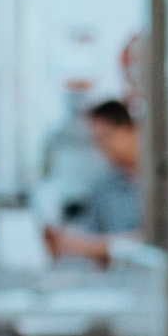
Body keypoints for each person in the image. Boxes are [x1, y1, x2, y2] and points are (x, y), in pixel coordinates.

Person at [46, 99, 143, 266]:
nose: (103, 146)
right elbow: (86, 236)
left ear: (130, 129)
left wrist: (97, 247)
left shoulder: (161, 181)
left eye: (106, 136)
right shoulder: (104, 187)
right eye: (97, 140)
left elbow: (156, 243)